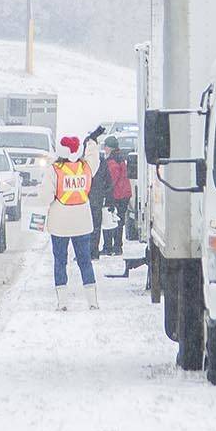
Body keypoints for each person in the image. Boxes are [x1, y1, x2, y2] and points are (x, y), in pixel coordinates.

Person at [46, 128, 103, 309]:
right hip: (82, 223)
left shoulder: (54, 170)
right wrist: (92, 142)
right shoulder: (86, 167)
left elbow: (46, 196)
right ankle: (92, 302)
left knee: (60, 261)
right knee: (85, 261)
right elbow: (94, 158)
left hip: (59, 224)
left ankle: (62, 302)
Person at [101, 145, 133, 255]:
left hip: (117, 195)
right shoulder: (120, 158)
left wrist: (105, 192)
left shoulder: (112, 162)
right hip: (124, 193)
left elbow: (111, 179)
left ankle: (112, 247)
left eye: (105, 146)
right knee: (119, 220)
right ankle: (117, 246)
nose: (104, 149)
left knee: (111, 221)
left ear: (110, 148)